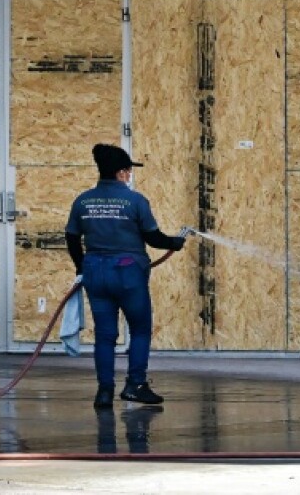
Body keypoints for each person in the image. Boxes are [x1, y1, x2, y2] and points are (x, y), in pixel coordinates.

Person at [66, 144, 188, 409]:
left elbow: (72, 237)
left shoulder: (82, 200)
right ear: (121, 172)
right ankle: (135, 385)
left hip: (95, 272)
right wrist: (175, 243)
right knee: (140, 328)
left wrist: (80, 267)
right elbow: (153, 238)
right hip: (127, 273)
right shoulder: (135, 201)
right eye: (129, 170)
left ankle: (104, 392)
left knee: (105, 335)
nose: (130, 175)